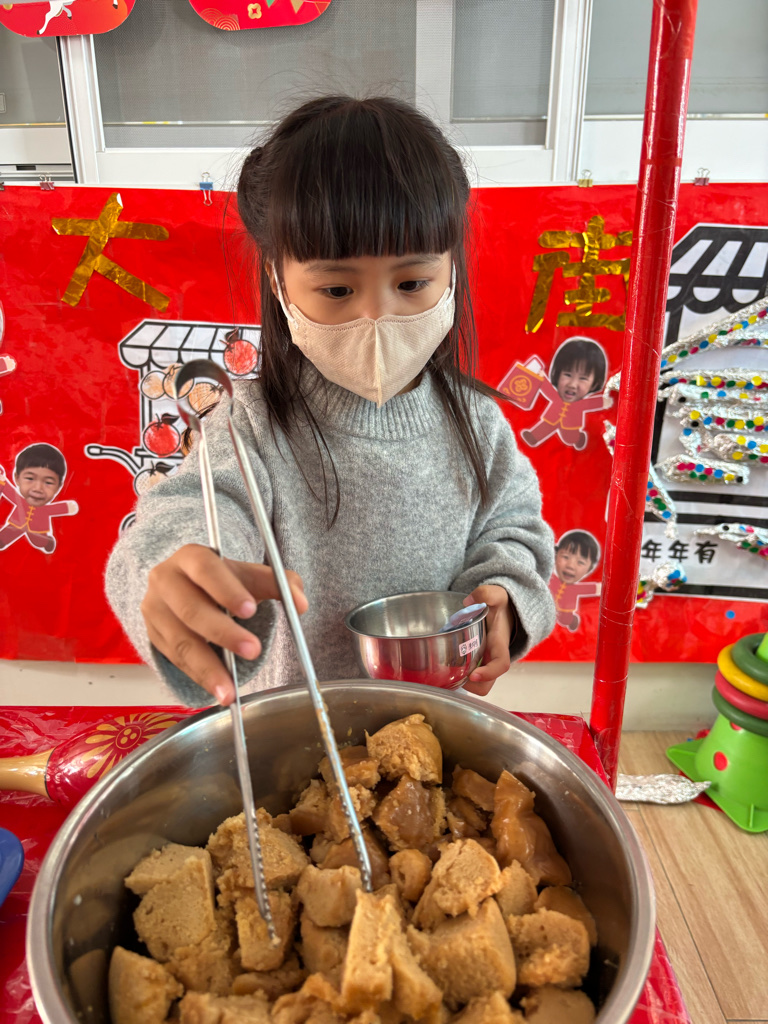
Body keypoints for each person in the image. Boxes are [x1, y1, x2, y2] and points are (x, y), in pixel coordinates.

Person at [106, 96, 556, 708]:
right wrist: (183, 567)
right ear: (277, 280)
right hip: (292, 733)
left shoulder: (479, 423)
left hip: (440, 728)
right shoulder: (249, 426)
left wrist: (502, 591)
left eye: (413, 283)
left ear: (452, 271)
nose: (377, 318)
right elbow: (187, 515)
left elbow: (514, 531)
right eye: (337, 289)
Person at [519, 337, 608, 450]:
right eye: (567, 375)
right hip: (552, 417)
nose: (572, 384)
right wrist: (540, 377)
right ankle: (533, 437)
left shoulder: (580, 405)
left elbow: (591, 403)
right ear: (558, 374)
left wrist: (603, 401)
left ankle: (578, 439)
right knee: (545, 426)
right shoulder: (556, 398)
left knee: (570, 438)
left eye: (583, 378)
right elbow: (548, 390)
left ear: (594, 384)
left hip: (571, 424)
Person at [0, 443, 78, 553]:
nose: (38, 488)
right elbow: (9, 491)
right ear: (17, 478)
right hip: (17, 523)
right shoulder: (19, 500)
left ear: (59, 486)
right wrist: (2, 480)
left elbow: (54, 509)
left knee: (39, 541)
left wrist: (67, 507)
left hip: (38, 529)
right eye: (30, 478)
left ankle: (47, 542)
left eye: (48, 482)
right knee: (5, 535)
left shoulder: (45, 509)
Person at [549, 530, 602, 632]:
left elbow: (595, 588)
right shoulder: (551, 578)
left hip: (565, 612)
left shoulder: (576, 589)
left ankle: (573, 620)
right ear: (556, 555)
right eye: (565, 557)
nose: (570, 566)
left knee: (565, 620)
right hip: (546, 610)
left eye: (580, 562)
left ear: (590, 568)